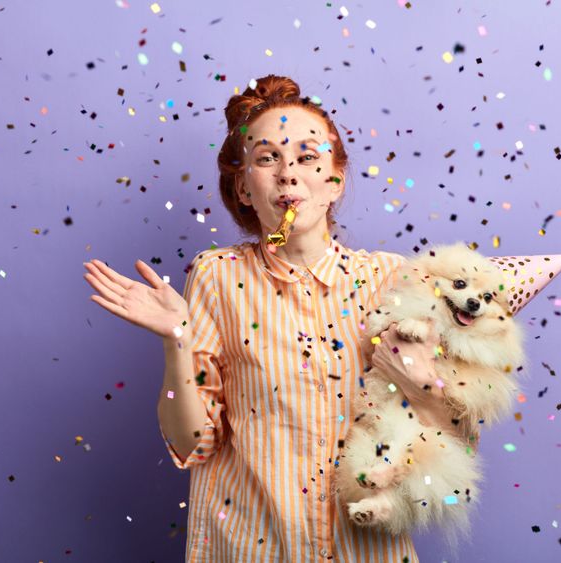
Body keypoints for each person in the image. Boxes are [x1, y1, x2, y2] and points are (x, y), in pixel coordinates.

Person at [82, 74, 451, 562]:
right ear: (243, 186)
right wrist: (177, 340)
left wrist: (433, 382)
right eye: (267, 157)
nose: (288, 173)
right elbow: (191, 444)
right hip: (251, 547)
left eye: (307, 156)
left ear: (335, 180)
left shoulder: (390, 278)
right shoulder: (217, 276)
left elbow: (445, 425)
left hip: (364, 549)